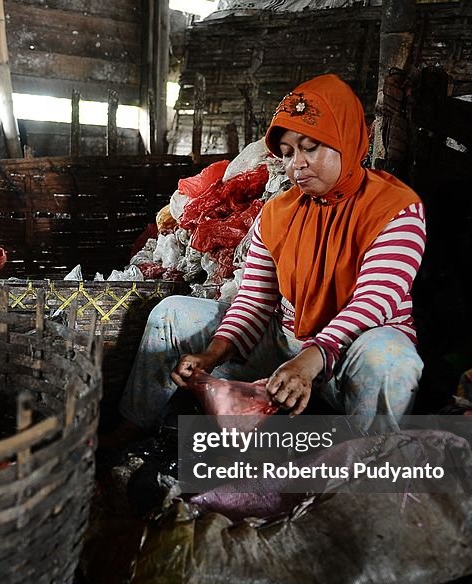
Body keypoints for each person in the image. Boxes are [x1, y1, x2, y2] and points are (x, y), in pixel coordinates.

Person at [108, 74, 426, 444]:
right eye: (289, 154)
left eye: (310, 148)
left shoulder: (396, 208)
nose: (297, 165)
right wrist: (213, 354)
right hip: (286, 344)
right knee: (173, 313)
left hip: (350, 354)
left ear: (347, 140)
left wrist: (311, 359)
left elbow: (374, 302)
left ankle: (369, 460)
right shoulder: (278, 212)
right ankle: (133, 426)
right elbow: (255, 300)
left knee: (391, 358)